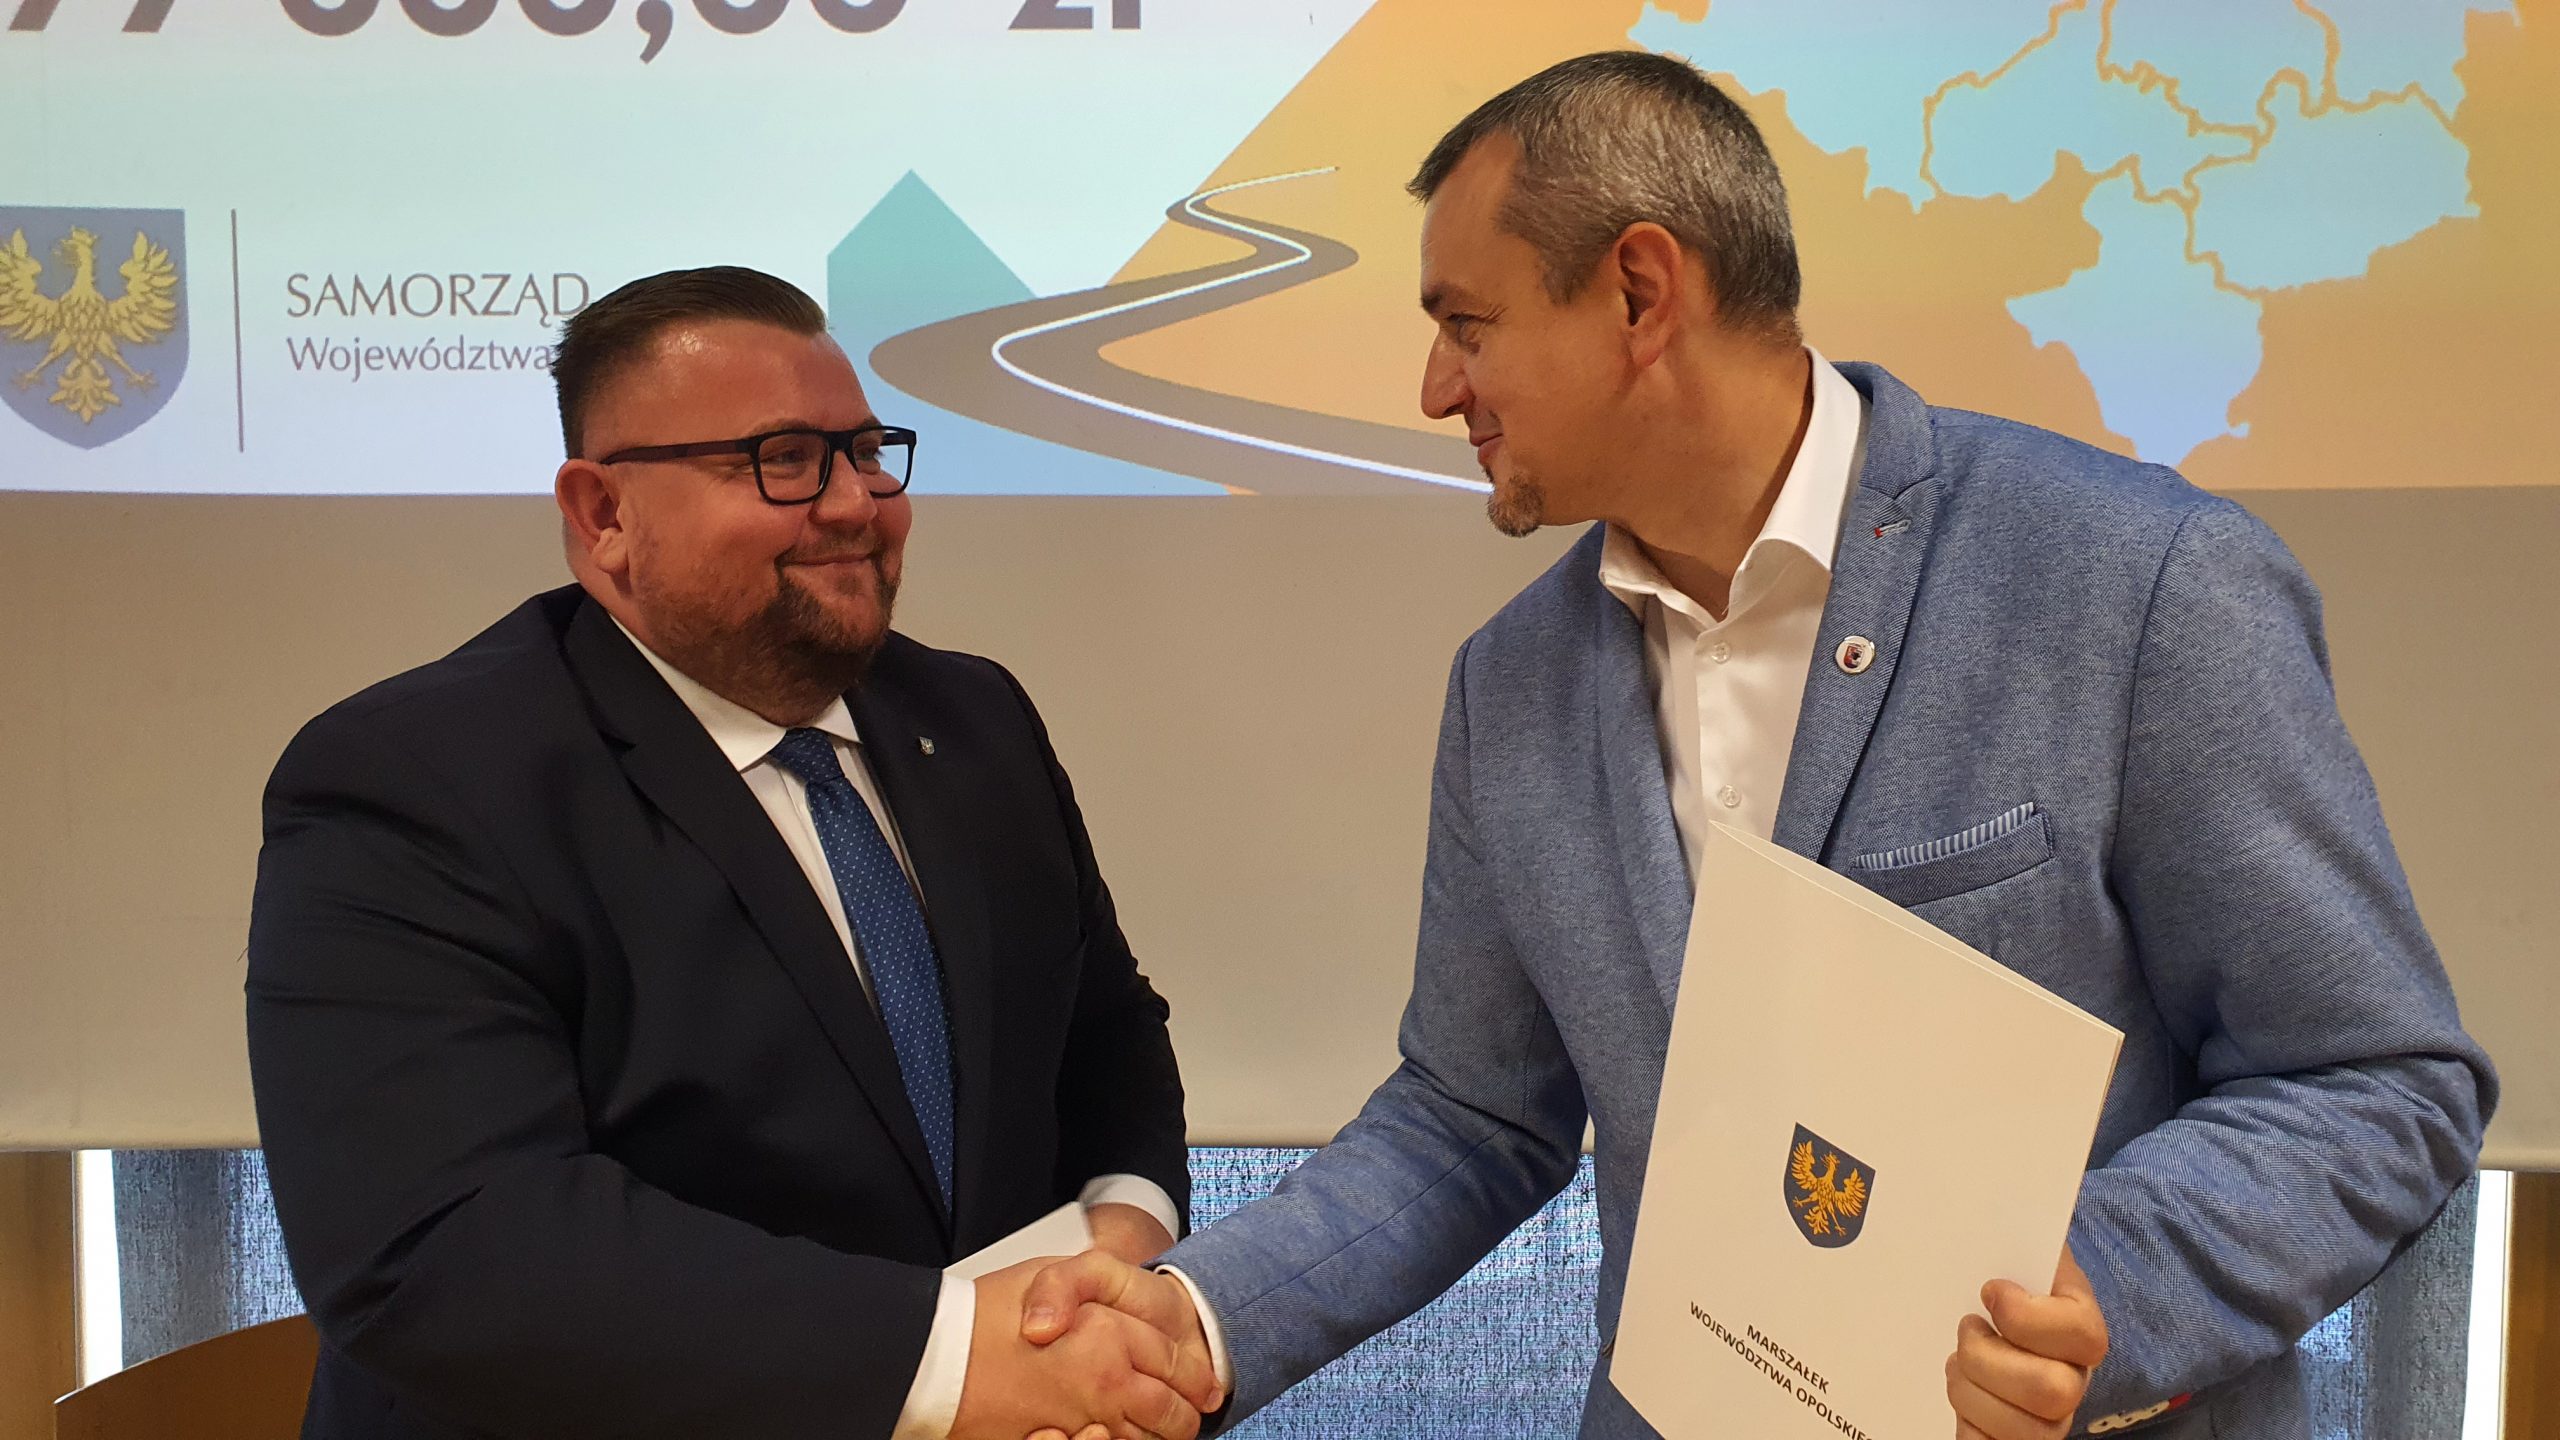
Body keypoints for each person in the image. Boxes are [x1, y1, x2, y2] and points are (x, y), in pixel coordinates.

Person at [1021, 51, 2496, 1440]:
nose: (1435, 389)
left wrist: (2105, 1281)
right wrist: (1199, 1319)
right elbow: (1473, 1114)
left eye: (1467, 326)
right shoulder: (1508, 689)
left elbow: (2375, 1081)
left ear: (1640, 291)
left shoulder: (2141, 583)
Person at [245, 267, 1220, 1440]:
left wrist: (1118, 1242)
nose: (855, 503)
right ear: (602, 514)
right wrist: (958, 1357)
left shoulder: (975, 721)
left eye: (867, 452)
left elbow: (1105, 1033)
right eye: (783, 460)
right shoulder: (416, 780)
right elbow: (449, 1252)